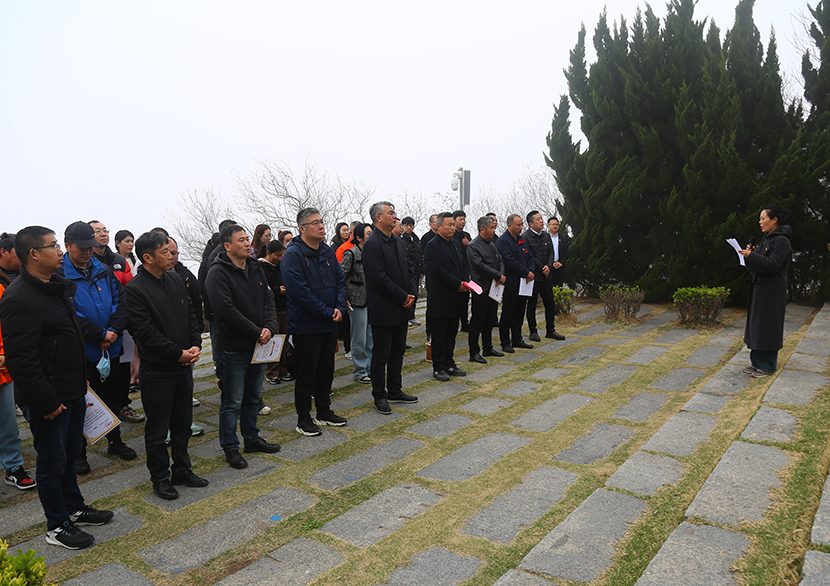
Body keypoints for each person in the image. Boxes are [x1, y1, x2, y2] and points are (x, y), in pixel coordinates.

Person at [0, 226, 114, 550]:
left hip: (72, 388)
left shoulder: (56, 287)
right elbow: (22, 360)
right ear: (34, 254)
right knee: (51, 463)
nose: (60, 251)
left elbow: (69, 337)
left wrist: (81, 378)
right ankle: (57, 524)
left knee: (69, 455)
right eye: (53, 246)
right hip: (48, 398)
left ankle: (74, 507)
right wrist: (47, 401)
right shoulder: (19, 297)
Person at [124, 232, 209, 500]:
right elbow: (145, 333)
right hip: (158, 370)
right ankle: (160, 477)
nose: (171, 256)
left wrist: (195, 343)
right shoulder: (135, 290)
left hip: (183, 366)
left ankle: (182, 469)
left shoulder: (174, 278)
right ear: (147, 258)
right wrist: (177, 354)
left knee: (183, 424)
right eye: (165, 252)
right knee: (158, 430)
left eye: (172, 251)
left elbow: (191, 314)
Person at [61, 221, 138, 473]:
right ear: (67, 245)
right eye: (81, 247)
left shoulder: (102, 269)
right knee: (82, 403)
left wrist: (113, 330)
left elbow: (119, 301)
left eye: (89, 247)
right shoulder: (60, 275)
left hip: (111, 347)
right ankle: (79, 452)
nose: (87, 252)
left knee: (113, 397)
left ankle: (115, 441)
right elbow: (68, 312)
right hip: (81, 351)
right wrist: (99, 333)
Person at [205, 225, 281, 469]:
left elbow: (268, 299)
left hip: (259, 345)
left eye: (248, 239)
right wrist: (256, 331)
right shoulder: (218, 273)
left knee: (253, 396)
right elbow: (225, 311)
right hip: (233, 348)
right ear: (227, 246)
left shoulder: (255, 267)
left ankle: (251, 438)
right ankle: (230, 446)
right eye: (241, 240)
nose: (248, 243)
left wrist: (269, 327)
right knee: (232, 401)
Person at [281, 207, 349, 435]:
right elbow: (299, 292)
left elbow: (340, 281)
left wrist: (340, 307)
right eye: (315, 223)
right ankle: (303, 418)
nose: (321, 226)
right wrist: (326, 311)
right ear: (302, 228)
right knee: (306, 374)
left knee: (326, 370)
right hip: (306, 325)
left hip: (329, 322)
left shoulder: (327, 251)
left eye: (321, 221)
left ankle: (324, 411)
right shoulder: (293, 255)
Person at [362, 202, 419, 413]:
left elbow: (411, 269)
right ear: (378, 217)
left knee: (398, 351)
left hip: (403, 307)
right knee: (381, 354)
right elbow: (378, 278)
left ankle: (395, 389)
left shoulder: (398, 241)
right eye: (391, 213)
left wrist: (411, 293)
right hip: (384, 308)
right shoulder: (372, 244)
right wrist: (402, 296)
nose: (395, 216)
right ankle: (379, 395)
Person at [738, 205, 793, 377]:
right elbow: (763, 261)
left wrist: (752, 256)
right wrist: (753, 254)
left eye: (763, 218)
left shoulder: (782, 240)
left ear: (774, 220)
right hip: (761, 285)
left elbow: (773, 265)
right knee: (758, 324)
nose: (760, 222)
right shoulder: (768, 238)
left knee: (768, 325)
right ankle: (756, 362)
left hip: (772, 289)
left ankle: (767, 366)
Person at [0, 267, 36, 490]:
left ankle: (13, 467)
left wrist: (5, 352)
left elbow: (7, 325)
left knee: (8, 423)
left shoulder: (1, 290)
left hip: (2, 370)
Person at [424, 212, 470, 381]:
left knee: (451, 333)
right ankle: (439, 367)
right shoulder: (432, 245)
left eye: (453, 225)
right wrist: (457, 283)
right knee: (439, 334)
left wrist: (465, 281)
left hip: (455, 296)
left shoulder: (455, 243)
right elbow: (437, 270)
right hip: (440, 297)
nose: (452, 228)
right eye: (449, 225)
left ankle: (450, 363)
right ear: (438, 226)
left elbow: (462, 264)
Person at [467, 216, 506, 363]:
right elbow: (479, 265)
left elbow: (500, 260)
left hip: (493, 287)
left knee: (490, 319)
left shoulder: (492, 244)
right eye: (491, 228)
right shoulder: (473, 246)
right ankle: (474, 352)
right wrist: (498, 275)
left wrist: (501, 275)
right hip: (480, 288)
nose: (493, 231)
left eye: (494, 228)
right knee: (477, 321)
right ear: (482, 229)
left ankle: (488, 348)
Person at [523, 211, 565, 341]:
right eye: (538, 219)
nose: (541, 221)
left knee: (550, 304)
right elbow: (529, 256)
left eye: (541, 218)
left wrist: (548, 266)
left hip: (547, 276)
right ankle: (533, 331)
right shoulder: (526, 237)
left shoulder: (546, 235)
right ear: (531, 223)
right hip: (534, 276)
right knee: (532, 304)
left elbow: (551, 252)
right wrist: (542, 267)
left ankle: (550, 330)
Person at [497, 214, 535, 353]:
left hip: (524, 283)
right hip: (511, 283)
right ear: (510, 225)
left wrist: (530, 271)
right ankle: (505, 342)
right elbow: (509, 261)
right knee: (508, 313)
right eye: (518, 225)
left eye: (521, 224)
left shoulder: (522, 239)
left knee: (520, 311)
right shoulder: (503, 241)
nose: (521, 227)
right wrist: (526, 272)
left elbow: (530, 257)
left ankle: (517, 338)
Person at [341, 223, 374, 384]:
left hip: (372, 301)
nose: (371, 236)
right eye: (368, 233)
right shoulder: (351, 253)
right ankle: (360, 371)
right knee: (359, 338)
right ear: (359, 237)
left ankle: (370, 368)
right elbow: (341, 276)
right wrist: (344, 298)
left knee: (371, 338)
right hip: (357, 302)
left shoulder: (373, 253)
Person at [258, 240, 291, 385]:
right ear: (268, 253)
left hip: (285, 308)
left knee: (284, 341)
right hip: (272, 311)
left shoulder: (281, 266)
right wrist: (277, 290)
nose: (279, 258)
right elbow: (261, 290)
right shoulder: (260, 267)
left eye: (281, 255)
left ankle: (283, 368)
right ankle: (271, 372)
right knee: (272, 341)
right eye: (277, 255)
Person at [88, 220, 132, 287]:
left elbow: (129, 287)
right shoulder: (86, 261)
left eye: (105, 231)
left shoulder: (120, 260)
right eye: (98, 231)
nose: (103, 234)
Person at [452, 211, 472, 332]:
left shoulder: (466, 235)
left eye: (464, 219)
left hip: (465, 270)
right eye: (460, 219)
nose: (463, 222)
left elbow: (471, 252)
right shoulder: (451, 236)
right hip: (454, 272)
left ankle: (465, 323)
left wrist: (468, 245)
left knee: (465, 299)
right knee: (455, 300)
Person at [547, 217, 569, 287]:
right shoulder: (545, 238)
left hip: (560, 267)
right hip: (548, 267)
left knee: (559, 288)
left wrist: (561, 263)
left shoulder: (563, 238)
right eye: (553, 224)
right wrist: (550, 263)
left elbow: (566, 252)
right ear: (548, 226)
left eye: (556, 224)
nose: (555, 226)